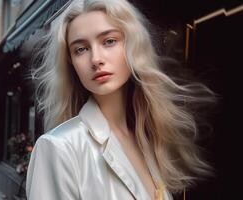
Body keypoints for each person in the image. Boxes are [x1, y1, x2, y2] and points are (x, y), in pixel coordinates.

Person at [26, 0, 215, 199]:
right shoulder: (58, 147)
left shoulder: (146, 139)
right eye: (80, 49)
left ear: (133, 45)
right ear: (70, 62)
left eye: (109, 41)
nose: (96, 59)